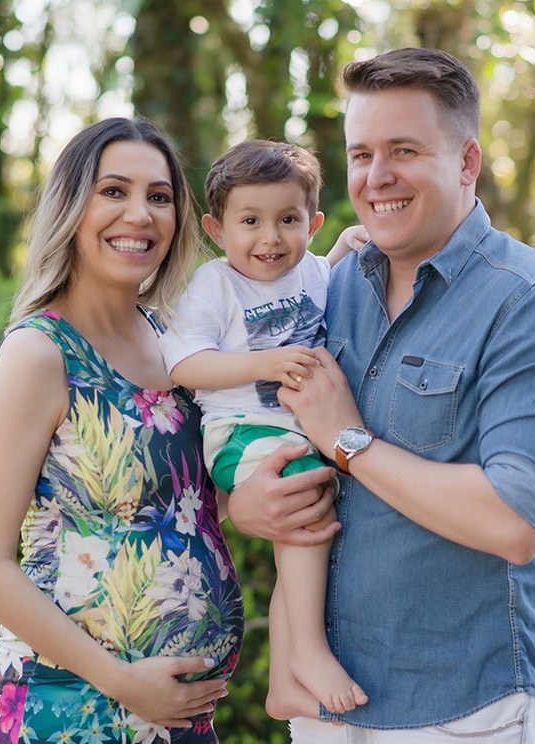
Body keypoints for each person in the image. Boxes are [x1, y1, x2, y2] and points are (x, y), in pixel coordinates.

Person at [228, 48, 535, 742]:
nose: (378, 177)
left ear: (467, 163)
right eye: (361, 153)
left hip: (463, 711)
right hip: (325, 708)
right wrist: (247, 506)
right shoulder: (326, 289)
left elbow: (514, 522)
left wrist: (349, 441)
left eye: (404, 150)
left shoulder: (532, 303)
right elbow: (248, 431)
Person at [0, 117, 246, 744]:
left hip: (177, 719)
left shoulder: (179, 347)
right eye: (113, 191)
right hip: (68, 710)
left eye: (159, 196)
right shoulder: (40, 353)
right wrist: (121, 681)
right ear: (71, 206)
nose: (139, 214)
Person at [156, 140, 369, 717]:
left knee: (298, 537)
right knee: (306, 510)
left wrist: (348, 245)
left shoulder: (314, 274)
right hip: (242, 431)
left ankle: (284, 681)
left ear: (313, 223)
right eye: (250, 221)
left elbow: (334, 266)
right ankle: (310, 652)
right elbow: (185, 364)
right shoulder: (215, 285)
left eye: (288, 220)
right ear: (217, 228)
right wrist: (264, 365)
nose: (270, 238)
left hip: (299, 432)